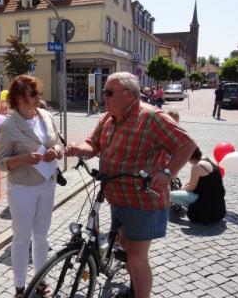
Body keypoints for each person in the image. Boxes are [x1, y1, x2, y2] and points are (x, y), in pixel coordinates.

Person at [65, 72, 197, 298]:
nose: (103, 96)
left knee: (136, 257)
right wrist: (78, 149)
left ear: (129, 94)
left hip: (143, 200)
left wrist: (168, 172)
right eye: (103, 92)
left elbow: (187, 145)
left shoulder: (151, 117)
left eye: (108, 92)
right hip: (117, 197)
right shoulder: (108, 118)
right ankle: (134, 288)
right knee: (125, 245)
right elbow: (93, 145)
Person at [0, 75, 63, 298]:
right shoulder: (8, 125)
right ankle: (20, 287)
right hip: (23, 188)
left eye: (37, 93)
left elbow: (58, 144)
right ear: (18, 98)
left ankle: (41, 281)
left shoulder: (44, 115)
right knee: (22, 238)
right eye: (32, 94)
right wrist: (24, 158)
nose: (38, 98)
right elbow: (0, 162)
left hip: (47, 182)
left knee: (42, 236)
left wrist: (57, 152)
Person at [170, 148, 226, 224]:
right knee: (182, 193)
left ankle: (196, 209)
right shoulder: (208, 159)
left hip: (208, 209)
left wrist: (181, 189)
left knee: (170, 195)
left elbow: (191, 187)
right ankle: (194, 206)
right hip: (219, 209)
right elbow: (202, 181)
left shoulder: (197, 166)